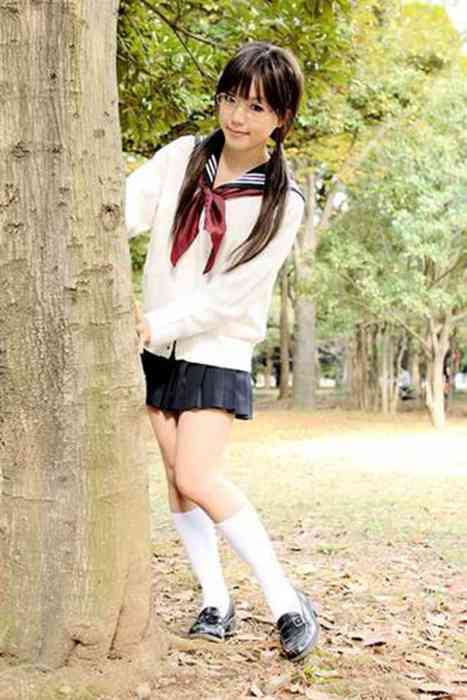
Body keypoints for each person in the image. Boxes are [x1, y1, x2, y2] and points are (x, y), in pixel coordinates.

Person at [125, 40, 320, 662]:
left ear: (281, 117)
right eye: (230, 99)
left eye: (256, 106)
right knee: (176, 481)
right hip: (155, 345)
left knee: (196, 475)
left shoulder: (283, 201)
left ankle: (286, 601)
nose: (237, 116)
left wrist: (154, 323)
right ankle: (215, 601)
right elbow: (125, 208)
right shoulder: (183, 156)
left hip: (216, 347)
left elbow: (234, 295)